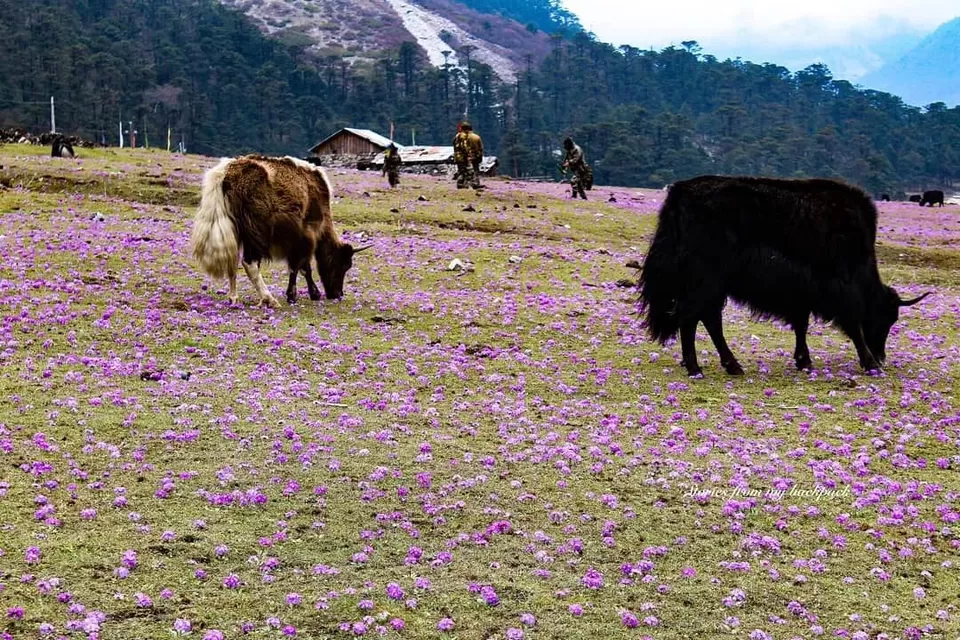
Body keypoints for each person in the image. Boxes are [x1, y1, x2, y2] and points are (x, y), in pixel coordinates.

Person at [453, 122, 483, 189]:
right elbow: (478, 148)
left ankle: (462, 184)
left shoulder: (457, 136)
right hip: (469, 156)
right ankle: (473, 184)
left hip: (458, 156)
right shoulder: (472, 137)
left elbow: (455, 146)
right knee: (471, 171)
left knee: (462, 171)